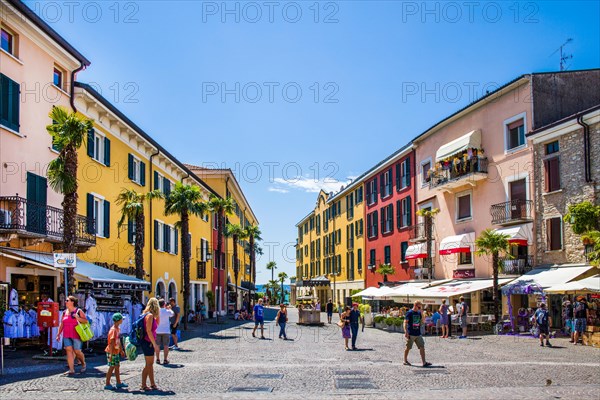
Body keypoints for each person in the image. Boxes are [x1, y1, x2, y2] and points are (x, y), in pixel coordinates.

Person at [55, 295, 88, 376]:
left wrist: (77, 318)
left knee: (77, 351)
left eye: (67, 300)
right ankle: (71, 369)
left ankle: (83, 363)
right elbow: (62, 323)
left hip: (76, 334)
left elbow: (85, 321)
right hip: (67, 334)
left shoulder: (78, 311)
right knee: (69, 351)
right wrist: (58, 334)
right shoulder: (64, 312)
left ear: (72, 302)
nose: (65, 302)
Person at [403, 301, 431, 367]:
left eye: (420, 307)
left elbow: (423, 321)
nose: (420, 308)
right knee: (408, 347)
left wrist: (422, 314)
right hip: (411, 333)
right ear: (415, 305)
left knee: (422, 347)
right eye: (419, 307)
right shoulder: (409, 313)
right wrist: (406, 332)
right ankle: (405, 360)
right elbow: (405, 322)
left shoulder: (419, 312)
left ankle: (424, 362)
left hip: (418, 333)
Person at [141, 298, 160, 391]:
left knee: (150, 364)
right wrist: (154, 344)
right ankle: (143, 384)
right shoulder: (150, 316)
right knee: (148, 364)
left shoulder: (146, 314)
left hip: (148, 342)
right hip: (147, 342)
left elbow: (156, 325)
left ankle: (152, 383)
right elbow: (149, 330)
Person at [104, 313, 127, 390]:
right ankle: (107, 383)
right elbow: (111, 343)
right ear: (118, 320)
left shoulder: (117, 329)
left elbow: (118, 341)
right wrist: (110, 354)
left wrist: (121, 350)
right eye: (121, 319)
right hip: (112, 351)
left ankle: (118, 382)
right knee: (112, 367)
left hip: (116, 351)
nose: (122, 320)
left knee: (117, 366)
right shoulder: (113, 330)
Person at [156, 299, 174, 365]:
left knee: (157, 345)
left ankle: (157, 359)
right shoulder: (167, 311)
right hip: (166, 331)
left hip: (157, 330)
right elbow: (172, 314)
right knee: (166, 345)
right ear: (164, 304)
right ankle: (165, 359)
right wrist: (169, 308)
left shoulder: (157, 311)